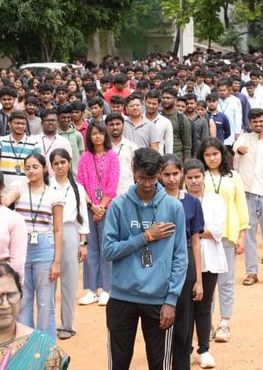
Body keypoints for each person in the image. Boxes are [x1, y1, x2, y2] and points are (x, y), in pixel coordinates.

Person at [102, 147, 187, 370]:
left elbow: (180, 257)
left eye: (151, 178)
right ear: (133, 172)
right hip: (122, 297)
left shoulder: (173, 207)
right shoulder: (119, 205)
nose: (147, 184)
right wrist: (145, 237)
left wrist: (171, 300)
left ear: (159, 172)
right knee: (118, 364)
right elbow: (108, 250)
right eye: (141, 178)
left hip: (158, 300)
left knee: (160, 365)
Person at [1, 153, 63, 341]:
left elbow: (59, 230)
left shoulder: (54, 193)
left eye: (35, 167)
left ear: (44, 168)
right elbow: (3, 203)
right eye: (27, 167)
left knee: (46, 302)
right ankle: (25, 345)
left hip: (45, 247)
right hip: (21, 247)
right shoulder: (19, 188)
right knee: (23, 300)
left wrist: (57, 262)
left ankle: (45, 346)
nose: (31, 171)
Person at [198, 137, 249, 343]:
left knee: (226, 282)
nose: (212, 158)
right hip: (205, 236)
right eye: (207, 155)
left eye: (215, 154)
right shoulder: (198, 177)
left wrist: (242, 235)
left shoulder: (233, 177)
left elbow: (241, 206)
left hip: (228, 234)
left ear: (222, 154)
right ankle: (206, 323)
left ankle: (225, 323)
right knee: (207, 282)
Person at [159, 154, 204, 370]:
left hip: (185, 263)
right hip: (160, 263)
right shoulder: (155, 201)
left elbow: (195, 243)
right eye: (166, 174)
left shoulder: (192, 202)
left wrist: (199, 280)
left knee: (183, 323)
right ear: (159, 175)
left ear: (182, 174)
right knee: (160, 320)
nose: (171, 179)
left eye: (175, 173)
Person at [183, 159, 226, 369]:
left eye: (197, 177)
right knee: (186, 307)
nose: (194, 181)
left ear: (204, 177)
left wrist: (193, 231)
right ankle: (185, 349)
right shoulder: (179, 201)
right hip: (186, 261)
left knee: (204, 306)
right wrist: (199, 231)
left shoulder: (215, 200)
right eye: (189, 178)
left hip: (209, 260)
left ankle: (204, 349)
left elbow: (217, 230)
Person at [233, 108, 263, 286]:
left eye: (260, 121)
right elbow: (235, 151)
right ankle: (251, 272)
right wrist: (240, 150)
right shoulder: (244, 139)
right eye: (254, 121)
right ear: (250, 123)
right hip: (248, 194)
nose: (258, 124)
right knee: (249, 235)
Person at [76, 120, 119, 307]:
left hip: (107, 208)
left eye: (100, 133)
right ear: (89, 136)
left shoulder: (112, 156)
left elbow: (113, 184)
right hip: (88, 208)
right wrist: (92, 205)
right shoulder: (84, 157)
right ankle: (92, 290)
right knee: (91, 248)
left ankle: (108, 289)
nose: (97, 136)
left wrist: (101, 206)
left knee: (106, 248)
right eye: (94, 133)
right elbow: (79, 184)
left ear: (105, 135)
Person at [49, 148, 89, 340]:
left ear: (69, 163)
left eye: (63, 162)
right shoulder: (46, 185)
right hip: (48, 233)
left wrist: (83, 242)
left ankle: (67, 324)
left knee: (70, 281)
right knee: (48, 280)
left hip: (70, 231)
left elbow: (82, 216)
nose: (60, 167)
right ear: (51, 166)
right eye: (56, 163)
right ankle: (47, 324)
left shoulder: (78, 188)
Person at [0, 110, 41, 186]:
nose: (20, 126)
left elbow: (40, 164)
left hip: (26, 188)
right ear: (9, 124)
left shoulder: (34, 143)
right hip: (4, 188)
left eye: (23, 124)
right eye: (17, 123)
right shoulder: (1, 140)